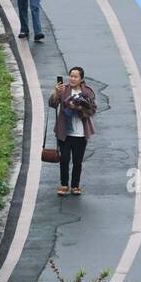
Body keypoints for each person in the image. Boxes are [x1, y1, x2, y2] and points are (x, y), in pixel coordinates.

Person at [49, 66, 97, 196]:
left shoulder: (87, 92)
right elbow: (52, 104)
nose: (72, 78)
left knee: (77, 161)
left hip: (80, 134)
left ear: (81, 79)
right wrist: (56, 93)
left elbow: (92, 110)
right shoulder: (63, 90)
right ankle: (64, 184)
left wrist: (79, 107)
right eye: (71, 76)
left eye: (75, 76)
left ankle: (75, 186)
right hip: (65, 133)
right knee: (64, 159)